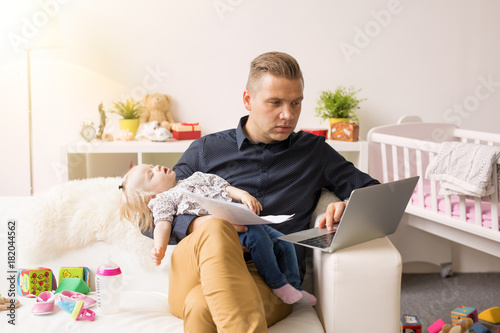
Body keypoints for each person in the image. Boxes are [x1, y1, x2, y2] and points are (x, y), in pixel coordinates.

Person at [144, 51, 380, 332]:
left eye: (296, 103)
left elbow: (373, 193)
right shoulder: (207, 149)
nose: (287, 115)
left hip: (271, 278)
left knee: (201, 308)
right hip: (195, 268)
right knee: (216, 228)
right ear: (248, 100)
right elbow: (149, 213)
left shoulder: (313, 152)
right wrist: (199, 223)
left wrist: (346, 205)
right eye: (275, 103)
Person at [119, 165, 316, 306]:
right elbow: (162, 224)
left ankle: (295, 288)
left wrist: (244, 196)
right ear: (151, 196)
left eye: (152, 166)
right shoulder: (163, 199)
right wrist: (159, 247)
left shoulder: (194, 177)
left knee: (284, 242)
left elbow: (224, 187)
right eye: (151, 175)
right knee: (259, 239)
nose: (157, 168)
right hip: (224, 227)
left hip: (241, 213)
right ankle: (278, 284)